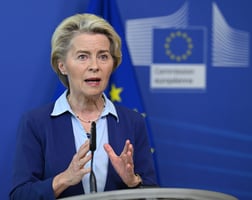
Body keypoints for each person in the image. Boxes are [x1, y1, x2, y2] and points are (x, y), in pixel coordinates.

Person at [9, 13, 158, 200]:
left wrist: (133, 182)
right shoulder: (36, 122)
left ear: (113, 64)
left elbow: (153, 194)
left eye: (103, 56)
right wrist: (64, 179)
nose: (94, 66)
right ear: (62, 65)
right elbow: (20, 195)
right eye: (83, 57)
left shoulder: (133, 122)